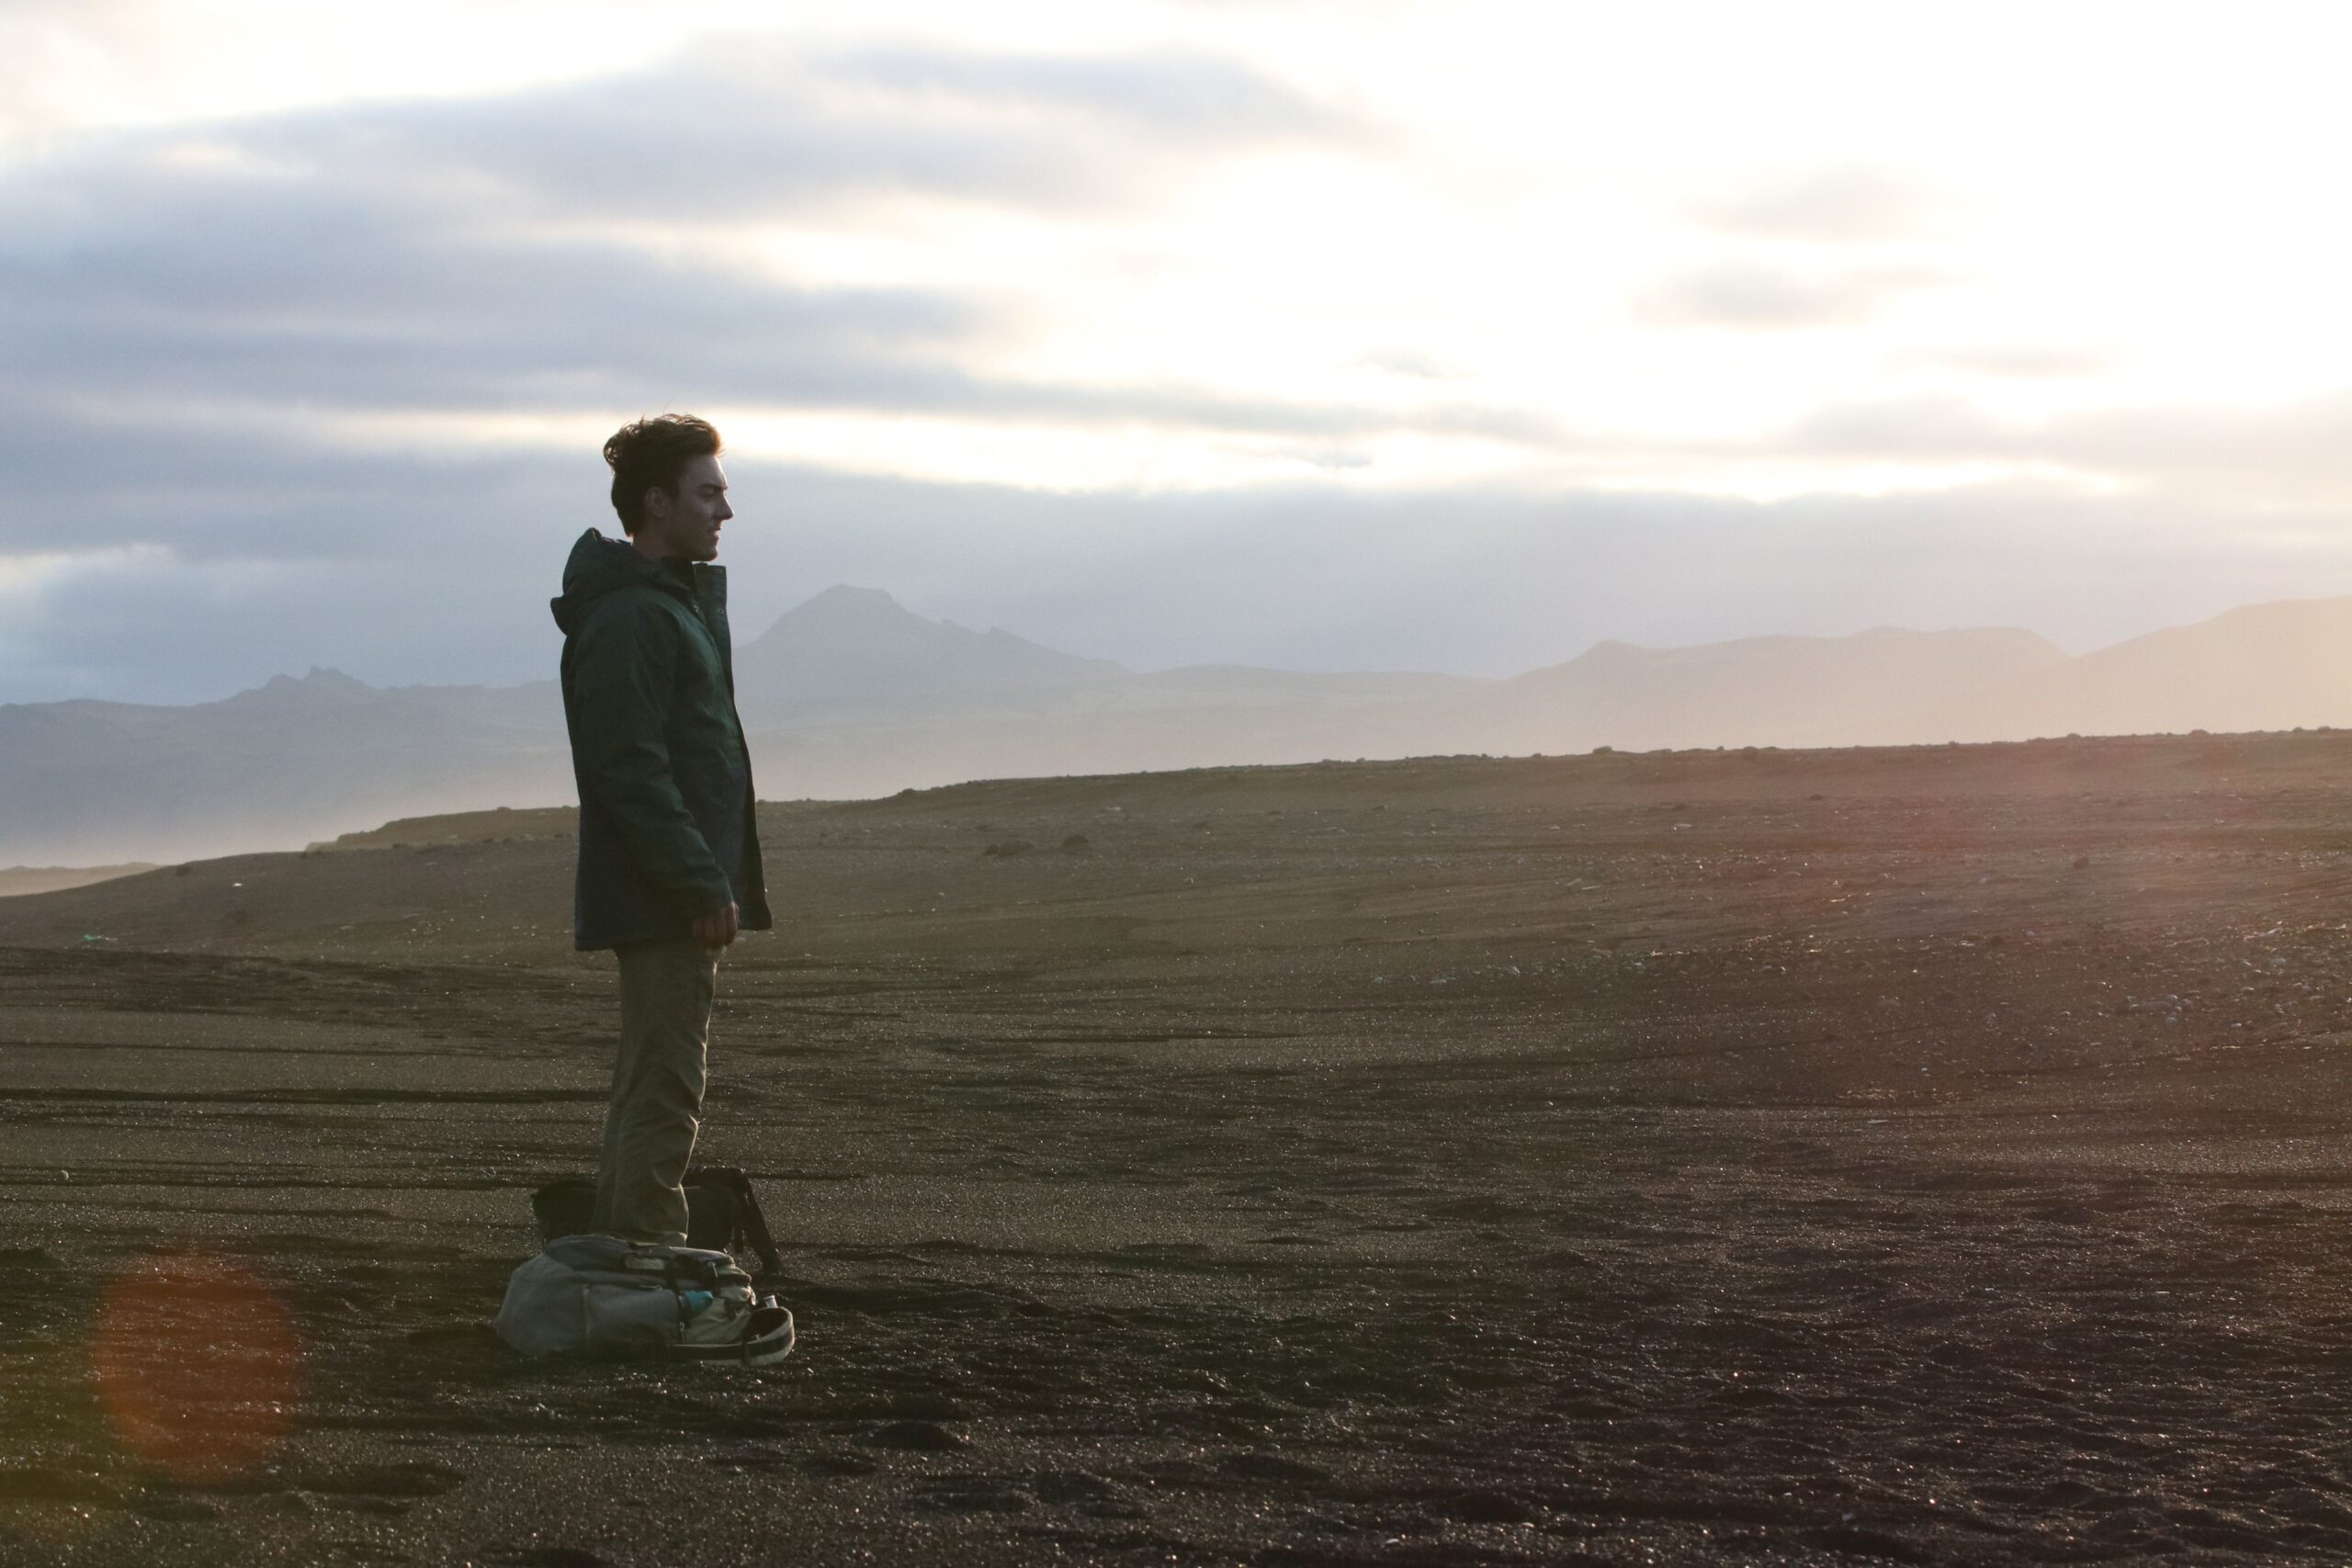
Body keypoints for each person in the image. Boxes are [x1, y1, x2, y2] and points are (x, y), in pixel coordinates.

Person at [550, 413, 772, 1247]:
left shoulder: (662, 608)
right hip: (663, 898)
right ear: (656, 501)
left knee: (653, 1078)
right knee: (666, 1084)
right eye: (708, 493)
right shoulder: (633, 617)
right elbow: (630, 768)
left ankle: (623, 1256)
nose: (725, 510)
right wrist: (698, 881)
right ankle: (646, 1261)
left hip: (666, 894)